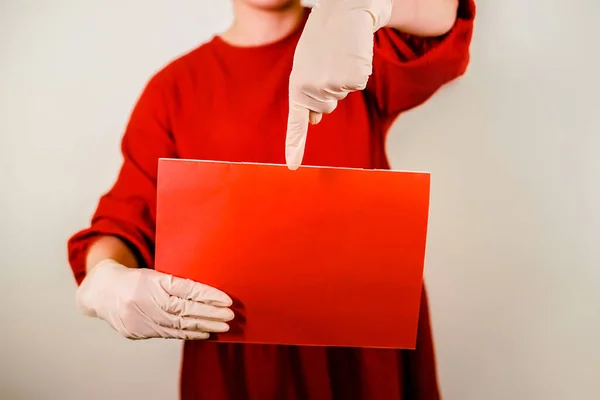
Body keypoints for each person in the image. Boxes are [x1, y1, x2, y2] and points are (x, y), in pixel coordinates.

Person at [69, 0, 476, 398]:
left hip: (363, 352)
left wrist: (369, 7)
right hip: (238, 354)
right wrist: (107, 282)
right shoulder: (173, 90)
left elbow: (442, 16)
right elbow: (124, 223)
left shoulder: (349, 42)